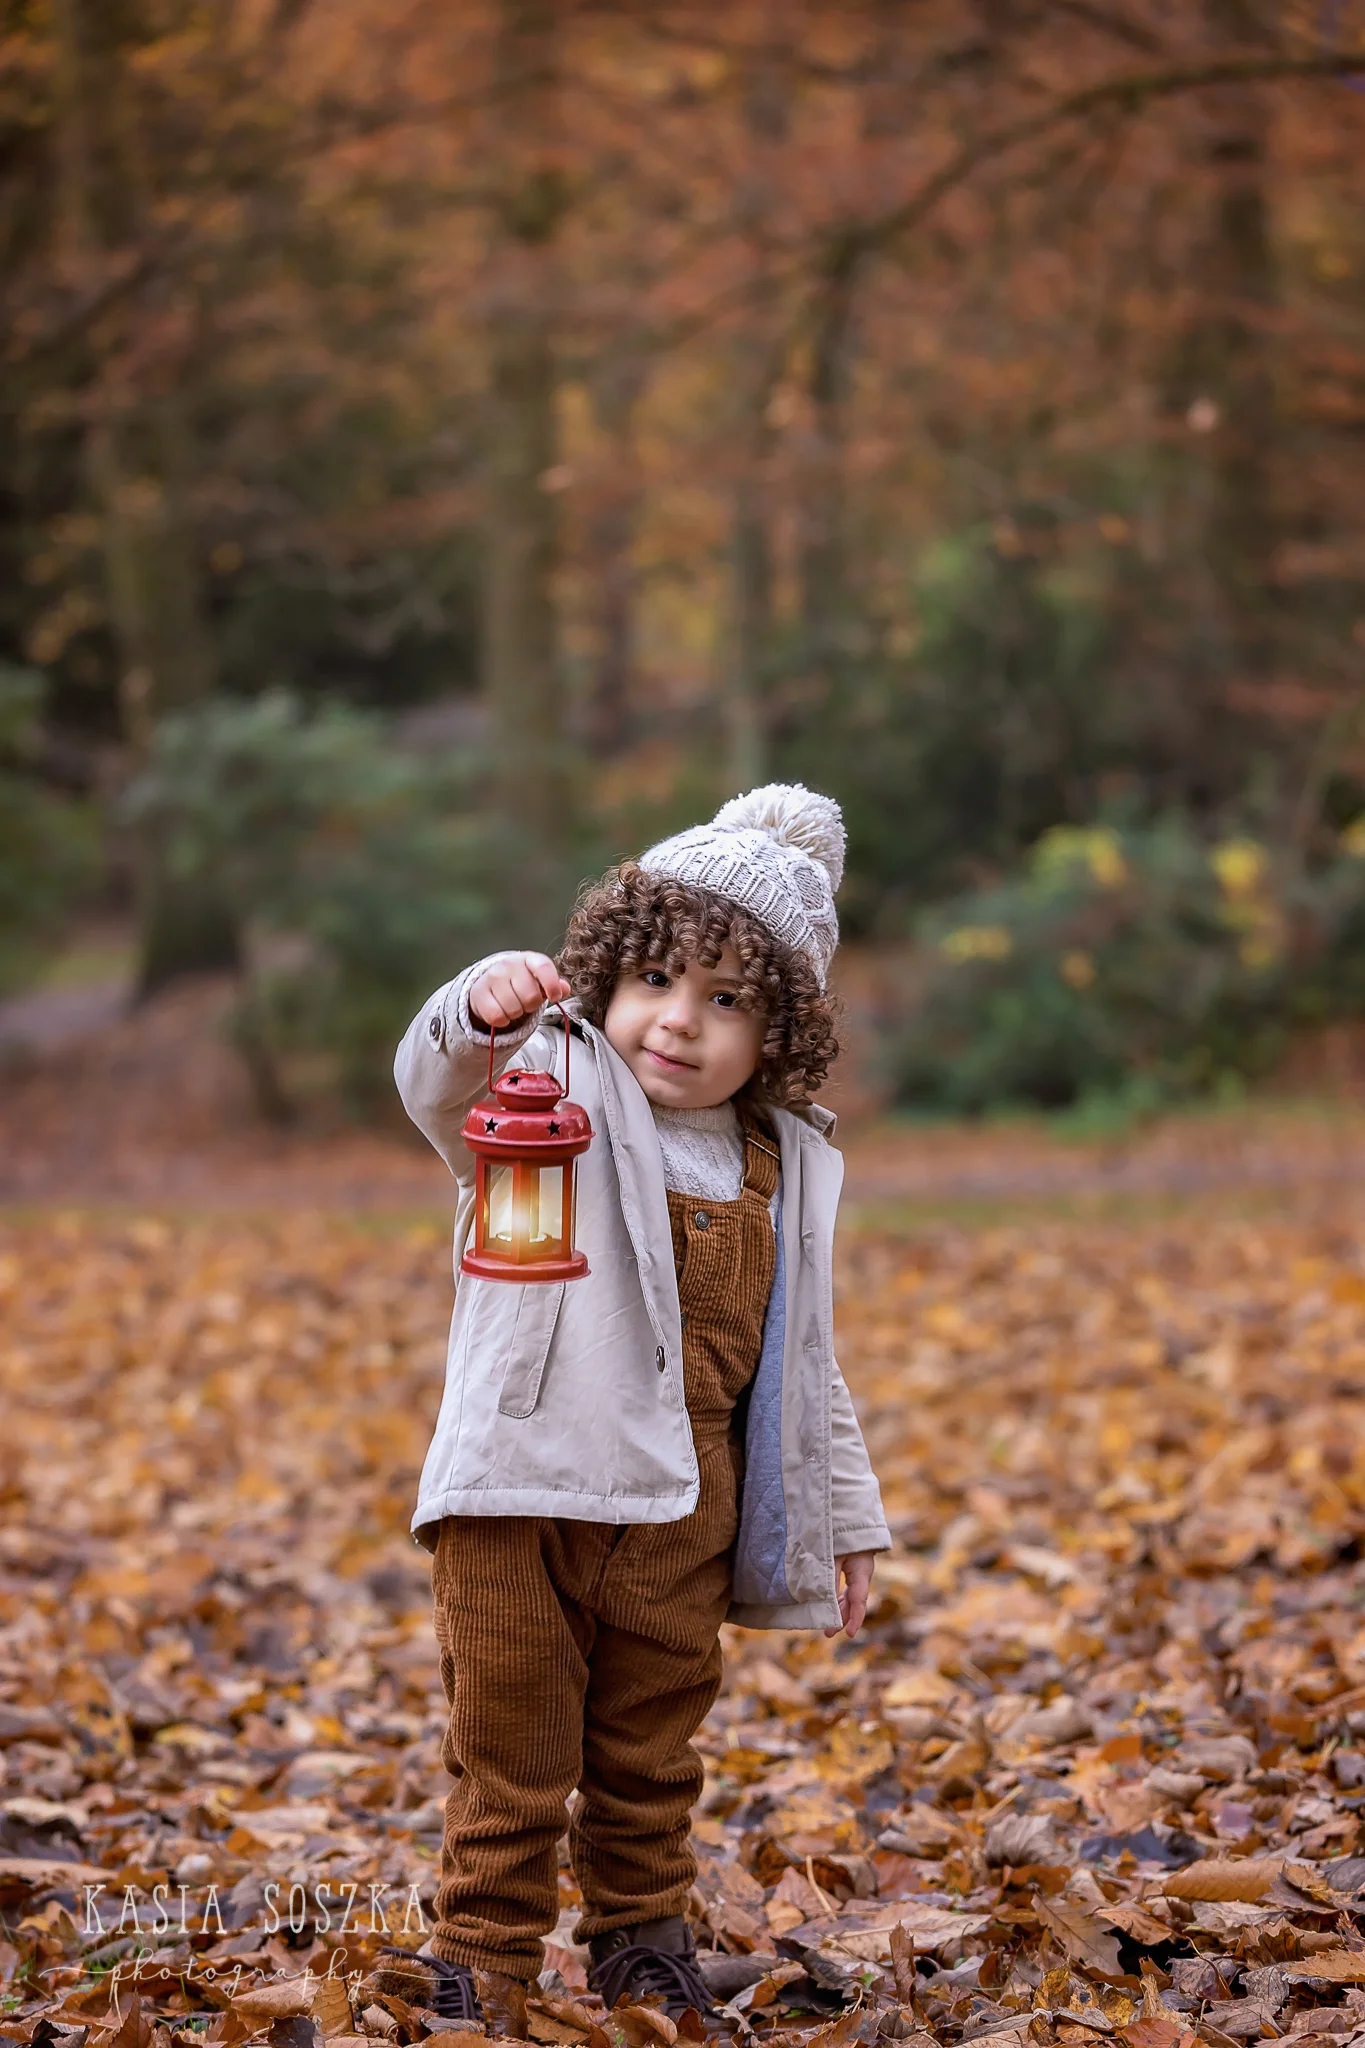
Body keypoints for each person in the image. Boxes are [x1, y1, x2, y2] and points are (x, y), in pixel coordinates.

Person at [392, 783, 890, 2031]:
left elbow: (807, 1361)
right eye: (659, 979)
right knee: (512, 1742)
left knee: (651, 1749)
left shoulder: (782, 1161)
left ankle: (639, 1941)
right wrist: (475, 1009)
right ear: (605, 981)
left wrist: (846, 1517)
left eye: (730, 1000)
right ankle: (483, 1957)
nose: (681, 1021)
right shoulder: (547, 1086)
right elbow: (431, 1085)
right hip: (523, 1483)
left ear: (778, 1034)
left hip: (685, 1506)